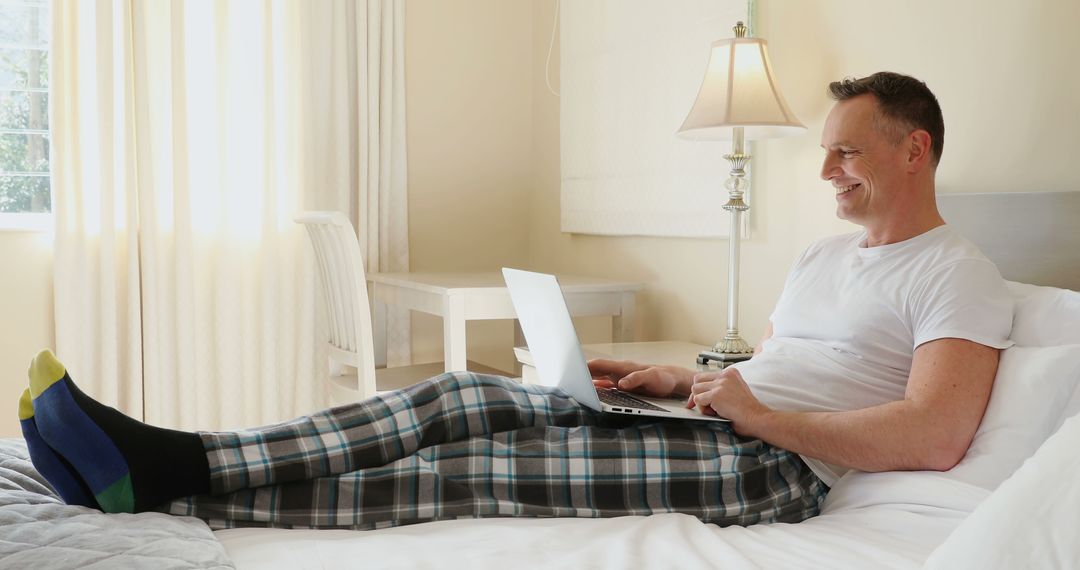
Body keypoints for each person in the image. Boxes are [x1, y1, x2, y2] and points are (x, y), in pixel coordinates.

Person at [18, 72, 1013, 531]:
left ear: (911, 148)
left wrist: (762, 415)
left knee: (475, 466)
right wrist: (686, 377)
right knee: (453, 395)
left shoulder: (956, 270)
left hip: (779, 470)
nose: (828, 168)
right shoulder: (822, 257)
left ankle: (169, 482)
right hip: (727, 419)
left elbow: (933, 436)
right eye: (826, 148)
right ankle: (178, 455)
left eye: (846, 146)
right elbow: (782, 358)